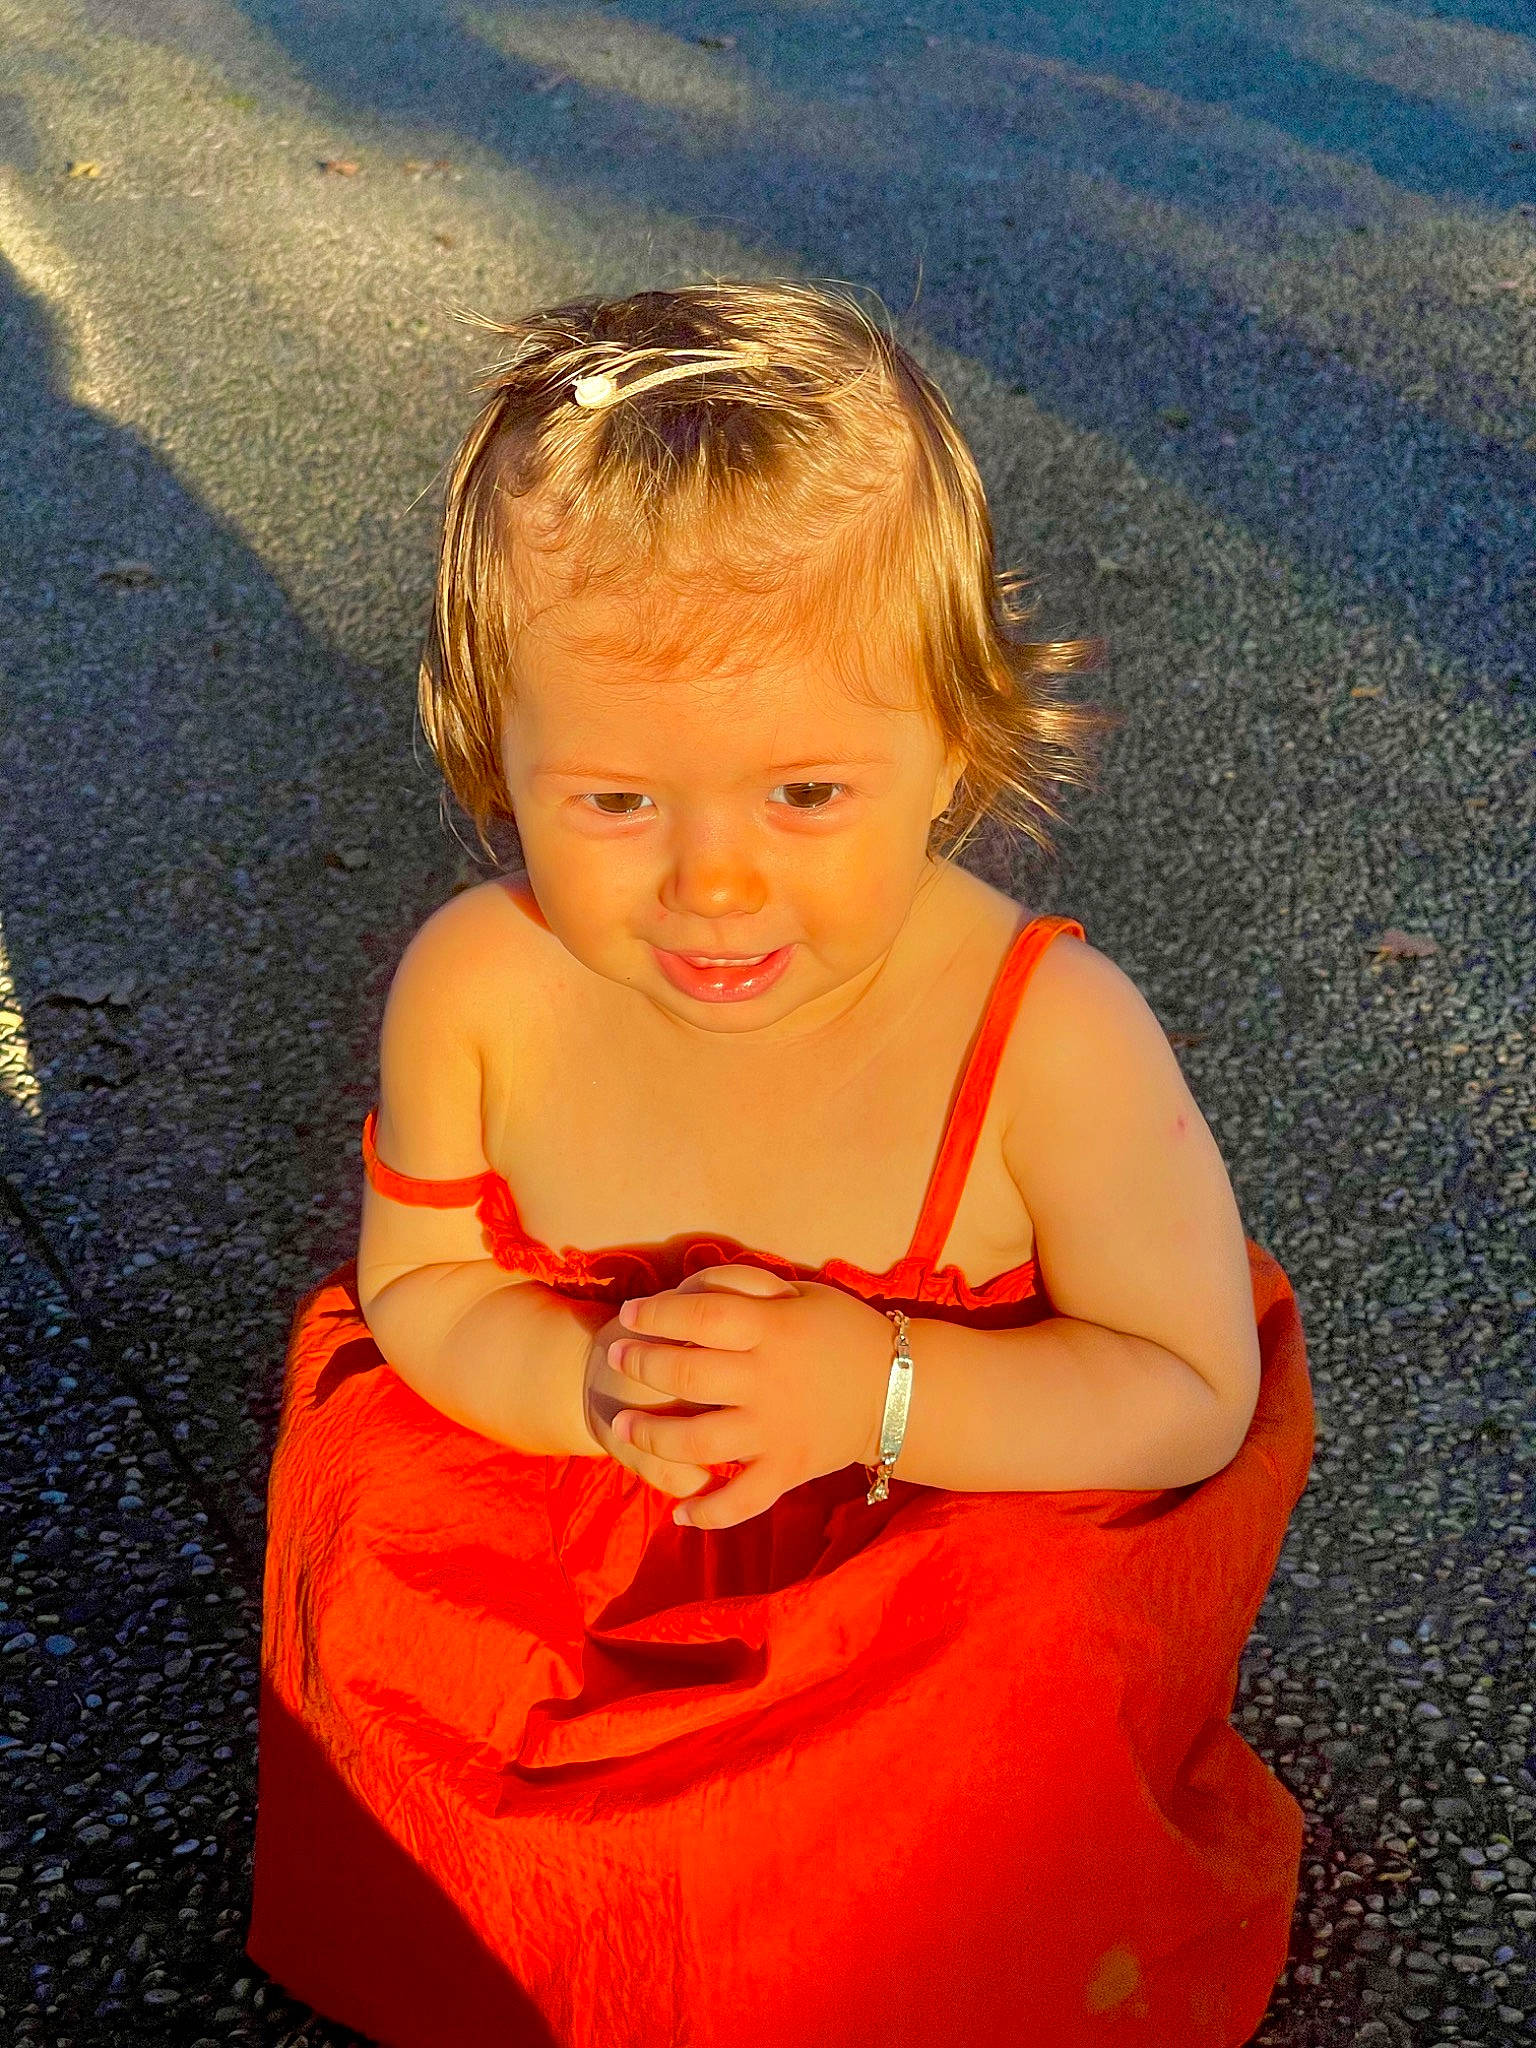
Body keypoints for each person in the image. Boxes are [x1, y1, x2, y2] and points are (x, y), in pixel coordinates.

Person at [245, 279, 1314, 2047]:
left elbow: (1188, 1393)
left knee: (1006, 1682)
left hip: (943, 1487)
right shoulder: (480, 989)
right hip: (596, 1467)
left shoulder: (1048, 1035)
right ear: (492, 751)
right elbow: (424, 1286)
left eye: (805, 795)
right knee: (380, 1551)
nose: (715, 883)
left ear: (954, 742)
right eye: (615, 802)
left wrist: (878, 1390)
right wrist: (585, 1378)